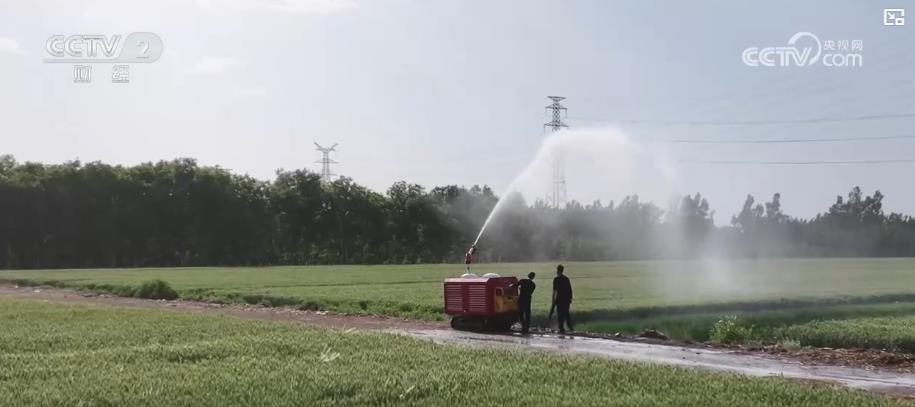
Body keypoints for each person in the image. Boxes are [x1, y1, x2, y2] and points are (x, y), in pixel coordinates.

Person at [552, 264, 573, 333]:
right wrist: (570, 298)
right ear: (562, 270)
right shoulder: (566, 279)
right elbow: (570, 289)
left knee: (560, 314)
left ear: (557, 270)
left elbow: (555, 291)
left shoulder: (556, 279)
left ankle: (561, 328)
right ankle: (570, 327)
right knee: (566, 313)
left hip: (559, 299)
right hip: (566, 299)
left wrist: (553, 300)